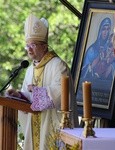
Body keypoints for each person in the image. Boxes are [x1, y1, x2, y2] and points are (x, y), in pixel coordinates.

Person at [6, 14, 79, 150]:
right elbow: (29, 99)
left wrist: (37, 91)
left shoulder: (58, 65)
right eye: (27, 46)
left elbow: (60, 96)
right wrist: (18, 96)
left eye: (33, 45)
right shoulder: (30, 69)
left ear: (45, 46)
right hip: (35, 129)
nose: (29, 49)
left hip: (52, 127)